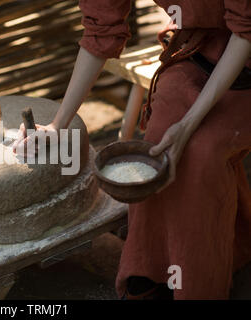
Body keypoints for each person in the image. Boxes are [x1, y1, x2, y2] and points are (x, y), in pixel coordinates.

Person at [13, 0, 251, 299]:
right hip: (200, 48)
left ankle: (198, 288)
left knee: (201, 153)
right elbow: (101, 29)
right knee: (155, 153)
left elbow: (245, 28)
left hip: (245, 50)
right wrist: (57, 124)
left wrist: (189, 124)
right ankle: (156, 273)